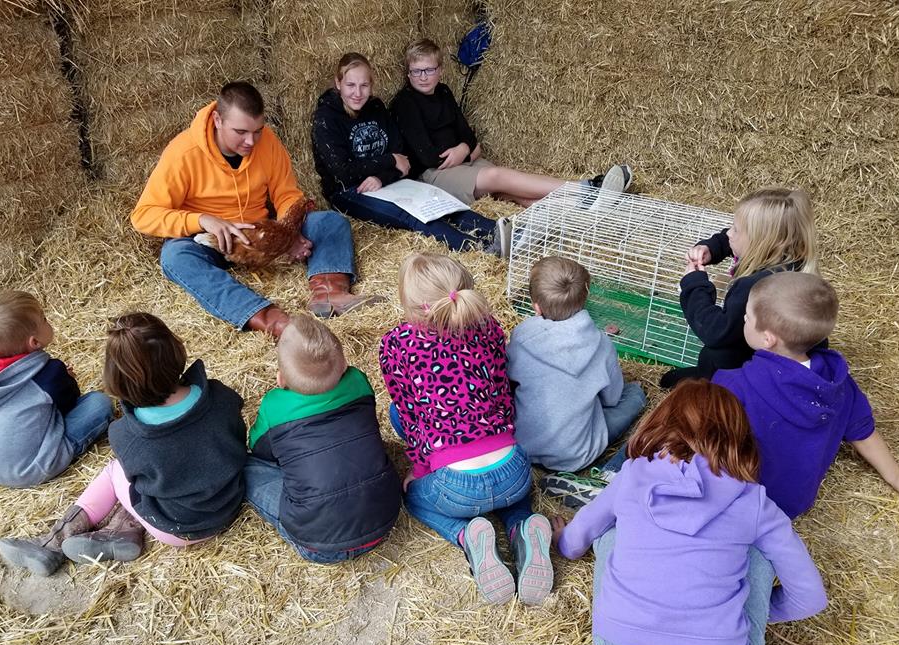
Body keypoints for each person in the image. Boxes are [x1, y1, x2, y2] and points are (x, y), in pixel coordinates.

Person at [552, 380, 827, 645]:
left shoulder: (632, 475)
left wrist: (563, 541)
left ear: (660, 421)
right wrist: (756, 611)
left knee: (609, 535)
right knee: (759, 555)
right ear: (738, 438)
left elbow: (577, 540)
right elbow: (809, 598)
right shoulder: (754, 501)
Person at [0, 313, 248, 576]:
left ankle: (52, 543)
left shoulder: (127, 435)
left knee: (114, 473)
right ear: (177, 348)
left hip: (176, 528)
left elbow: (142, 483)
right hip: (228, 505)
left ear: (116, 378)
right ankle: (119, 533)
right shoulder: (221, 395)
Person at [131, 81, 380, 339]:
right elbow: (144, 215)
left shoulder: (268, 142)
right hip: (212, 240)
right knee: (175, 257)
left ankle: (330, 292)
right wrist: (203, 220)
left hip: (262, 235)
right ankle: (268, 318)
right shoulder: (183, 152)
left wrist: (287, 232)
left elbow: (287, 194)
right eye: (240, 132)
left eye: (257, 131)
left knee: (329, 222)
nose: (251, 141)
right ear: (217, 119)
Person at [379, 252, 552, 605]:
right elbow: (503, 393)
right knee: (507, 497)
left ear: (412, 305)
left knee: (413, 496)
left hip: (455, 484)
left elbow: (412, 415)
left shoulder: (396, 344)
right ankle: (523, 527)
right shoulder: (488, 326)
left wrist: (420, 469)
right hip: (514, 468)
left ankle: (467, 535)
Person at [713, 272, 899, 518]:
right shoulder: (837, 383)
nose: (744, 318)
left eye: (747, 317)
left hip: (742, 503)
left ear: (768, 339)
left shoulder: (734, 385)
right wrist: (898, 477)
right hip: (794, 504)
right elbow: (863, 432)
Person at [390, 39, 632, 208]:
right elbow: (429, 157)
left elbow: (468, 135)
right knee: (498, 176)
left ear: (440, 70)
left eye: (429, 70)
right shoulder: (405, 103)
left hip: (462, 163)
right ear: (408, 74)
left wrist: (465, 148)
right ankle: (586, 189)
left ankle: (577, 211)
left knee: (513, 193)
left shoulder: (443, 92)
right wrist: (468, 152)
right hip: (434, 174)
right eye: (416, 71)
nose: (423, 77)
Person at [312, 52, 512, 255]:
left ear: (371, 85)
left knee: (438, 202)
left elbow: (403, 159)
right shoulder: (326, 118)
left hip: (385, 181)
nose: (357, 93)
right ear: (338, 83)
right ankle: (481, 249)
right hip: (349, 190)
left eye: (364, 85)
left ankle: (502, 231)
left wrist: (382, 176)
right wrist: (389, 160)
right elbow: (342, 172)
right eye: (350, 85)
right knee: (413, 214)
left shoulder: (376, 107)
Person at [245, 315, 401, 563]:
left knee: (246, 467)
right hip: (384, 517)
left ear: (280, 379)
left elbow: (260, 450)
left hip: (320, 545)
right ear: (343, 365)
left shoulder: (274, 405)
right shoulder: (358, 382)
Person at [661, 187, 818, 388]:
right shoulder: (793, 259)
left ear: (760, 242)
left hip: (754, 366)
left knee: (715, 353)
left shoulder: (756, 287)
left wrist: (694, 284)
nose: (729, 233)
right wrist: (712, 248)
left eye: (735, 229)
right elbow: (733, 243)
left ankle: (711, 387)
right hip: (777, 355)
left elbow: (715, 331)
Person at [507, 256, 646, 473]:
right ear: (586, 297)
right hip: (577, 456)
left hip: (522, 447)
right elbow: (612, 399)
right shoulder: (601, 343)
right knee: (635, 395)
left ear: (537, 307)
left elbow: (511, 381)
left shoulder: (521, 336)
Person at [0, 290, 113, 487]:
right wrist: (64, 379)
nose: (47, 320)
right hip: (32, 469)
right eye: (44, 319)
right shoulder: (49, 374)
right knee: (98, 403)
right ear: (34, 342)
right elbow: (70, 404)